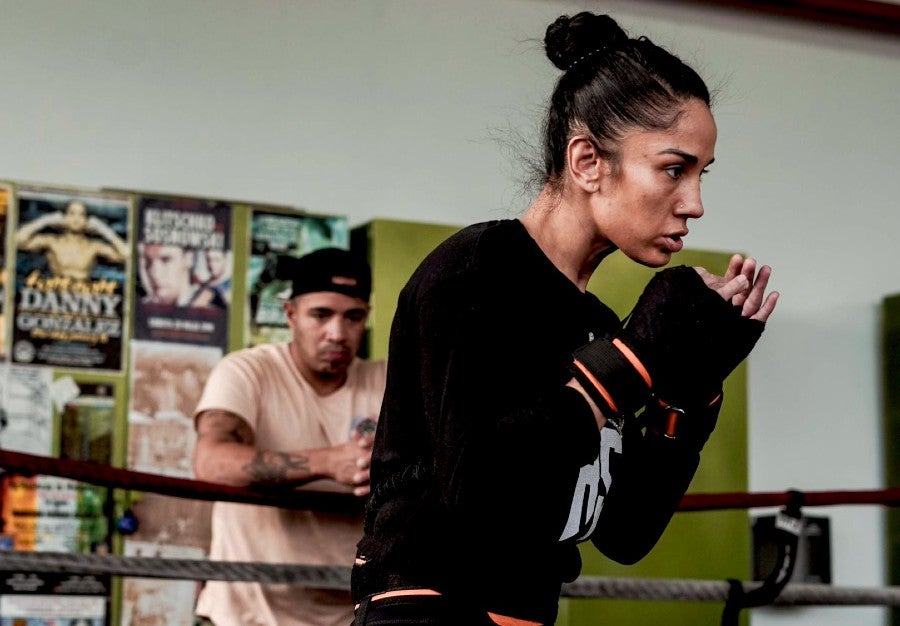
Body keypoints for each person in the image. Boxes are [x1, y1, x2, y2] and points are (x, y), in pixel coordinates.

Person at [351, 12, 779, 626]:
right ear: (587, 161)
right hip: (431, 611)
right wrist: (634, 356)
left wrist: (690, 392)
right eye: (673, 168)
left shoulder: (596, 324)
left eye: (701, 174)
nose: (695, 204)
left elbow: (623, 534)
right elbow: (481, 490)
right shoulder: (476, 271)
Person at [192, 247, 387, 626]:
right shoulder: (248, 372)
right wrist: (329, 463)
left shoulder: (386, 381)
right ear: (290, 314)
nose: (338, 333)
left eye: (353, 317)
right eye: (321, 315)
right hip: (249, 614)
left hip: (354, 614)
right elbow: (212, 462)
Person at [15, 199, 129, 280]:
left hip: (84, 298)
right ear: (64, 218)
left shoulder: (93, 246)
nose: (76, 219)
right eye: (72, 213)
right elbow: (17, 241)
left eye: (81, 215)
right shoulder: (52, 241)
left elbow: (126, 256)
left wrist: (103, 229)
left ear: (86, 221)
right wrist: (46, 220)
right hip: (54, 294)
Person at [138, 243, 224, 308]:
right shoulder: (139, 310)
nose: (155, 273)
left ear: (188, 258)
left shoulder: (211, 307)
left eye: (165, 260)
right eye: (147, 262)